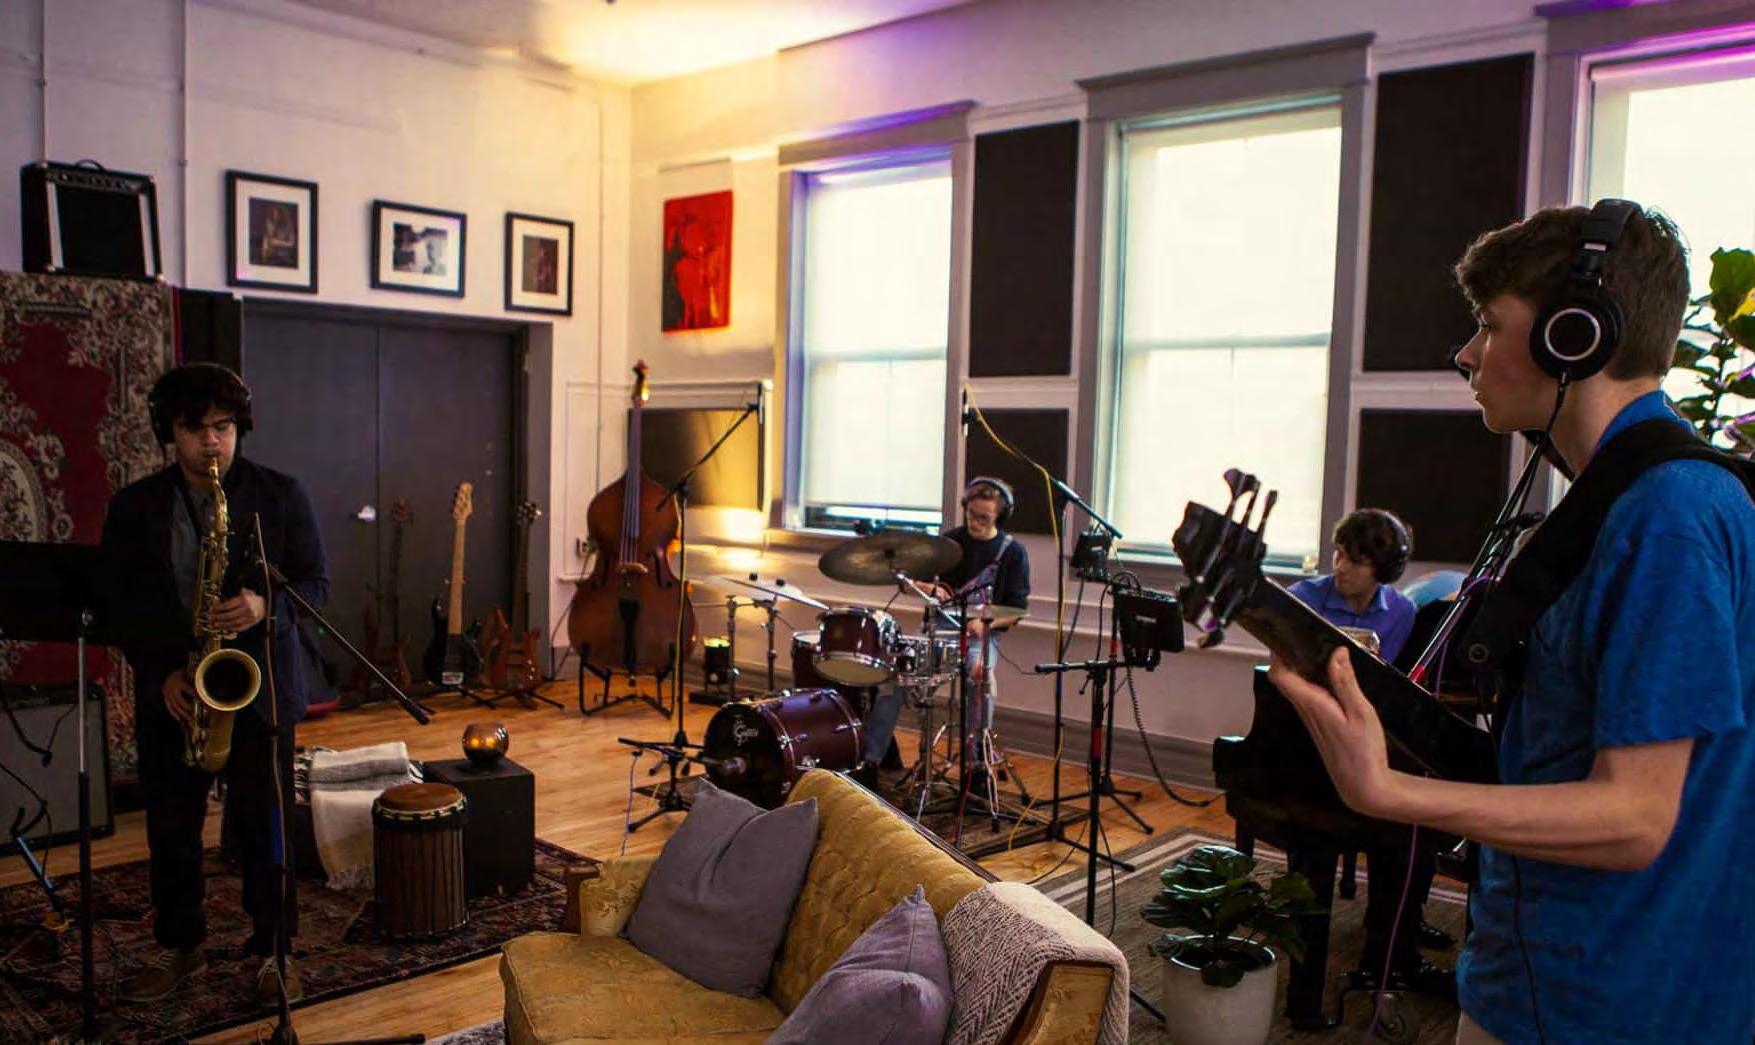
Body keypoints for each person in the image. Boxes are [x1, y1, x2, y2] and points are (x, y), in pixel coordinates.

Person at [1270, 202, 1755, 1044]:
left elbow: (1635, 817)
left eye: (1489, 324)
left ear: (1574, 336)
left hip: (1602, 997)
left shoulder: (1665, 515)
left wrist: (1386, 789)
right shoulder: (1629, 499)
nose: (1466, 353)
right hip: (1553, 972)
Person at [102, 364, 329, 1008]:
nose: (211, 442)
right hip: (176, 695)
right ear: (169, 433)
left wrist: (264, 605)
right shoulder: (134, 508)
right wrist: (161, 673)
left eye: (223, 428)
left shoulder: (281, 496)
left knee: (266, 830)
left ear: (240, 429)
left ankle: (275, 952)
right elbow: (119, 607)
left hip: (259, 693)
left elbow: (316, 585)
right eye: (194, 428)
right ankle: (181, 946)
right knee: (171, 833)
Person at [1289, 509, 1453, 997]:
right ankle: (1308, 975)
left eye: (1356, 561)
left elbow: (1387, 690)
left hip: (1365, 744)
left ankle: (1388, 956)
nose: (1340, 566)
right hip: (1305, 746)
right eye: (1339, 554)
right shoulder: (1302, 599)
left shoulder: (1401, 612)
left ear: (1381, 569)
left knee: (1412, 836)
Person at [859, 477, 1031, 777]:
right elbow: (910, 585)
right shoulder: (947, 544)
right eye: (971, 514)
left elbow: (1017, 610)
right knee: (893, 678)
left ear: (999, 517)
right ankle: (870, 761)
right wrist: (928, 588)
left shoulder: (1013, 552)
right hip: (938, 627)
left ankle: (977, 764)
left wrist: (986, 622)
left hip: (980, 633)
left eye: (983, 518)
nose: (974, 522)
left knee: (980, 677)